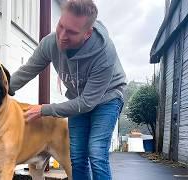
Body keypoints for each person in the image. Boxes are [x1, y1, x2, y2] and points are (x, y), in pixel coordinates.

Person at [9, 0, 126, 179]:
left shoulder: (104, 53)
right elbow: (28, 71)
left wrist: (44, 110)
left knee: (96, 151)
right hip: (77, 98)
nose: (62, 36)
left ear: (87, 33)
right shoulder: (50, 43)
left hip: (107, 97)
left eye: (71, 32)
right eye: (61, 26)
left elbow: (87, 103)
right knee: (77, 156)